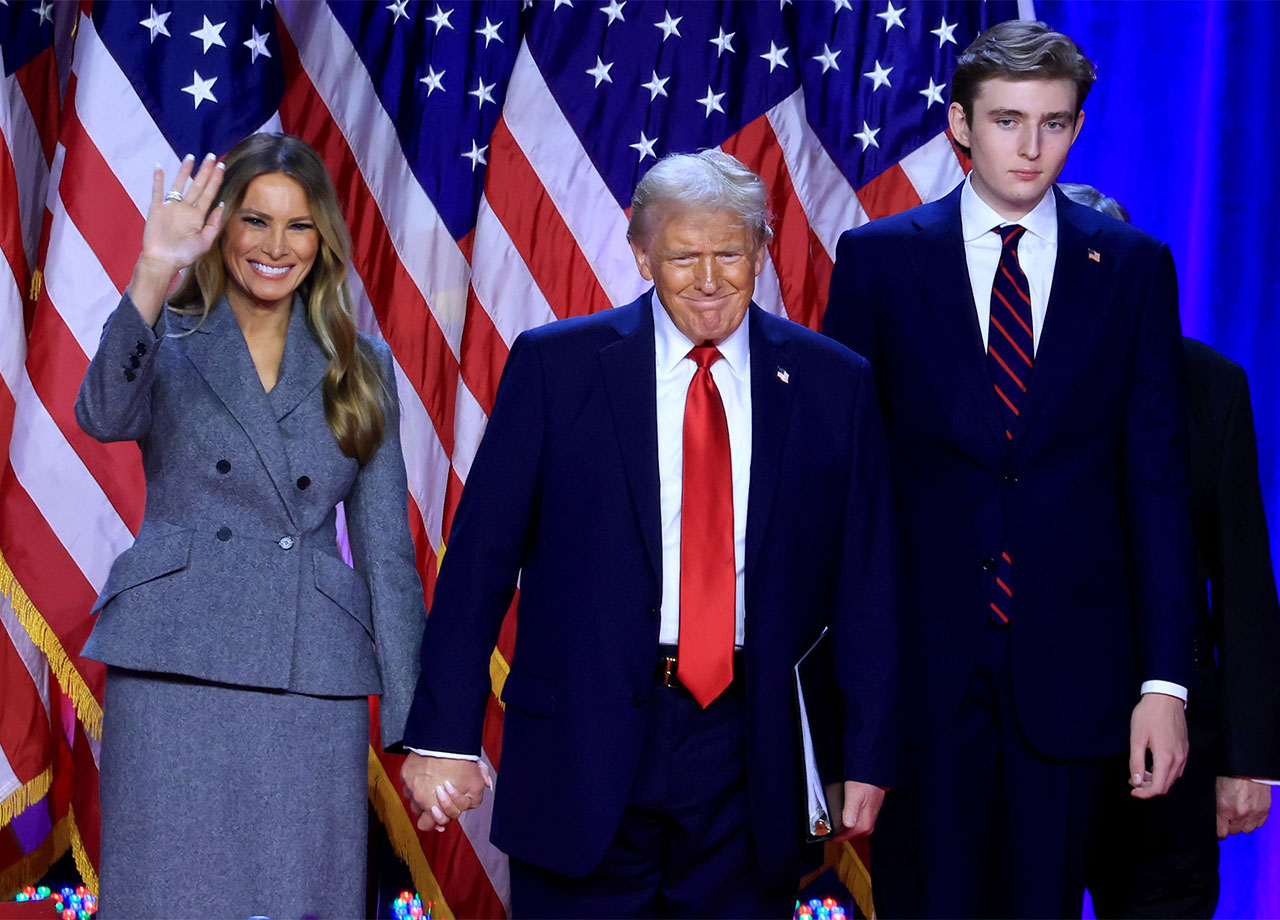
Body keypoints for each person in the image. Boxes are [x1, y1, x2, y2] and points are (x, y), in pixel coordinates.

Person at [398, 150, 899, 918]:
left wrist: (864, 753)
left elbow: (866, 583)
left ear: (761, 252)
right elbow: (477, 568)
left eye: (730, 252)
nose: (708, 278)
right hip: (580, 744)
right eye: (682, 255)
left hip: (749, 750)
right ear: (641, 256)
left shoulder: (836, 383)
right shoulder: (556, 366)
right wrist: (443, 736)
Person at [822, 21, 1197, 918]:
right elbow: (846, 490)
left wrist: (1165, 684)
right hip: (922, 674)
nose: (1032, 148)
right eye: (1007, 120)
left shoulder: (1135, 268)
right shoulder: (877, 260)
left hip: (1075, 676)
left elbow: (1156, 483)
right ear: (960, 124)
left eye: (1056, 124)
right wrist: (844, 695)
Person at [75, 134, 424, 919]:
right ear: (223, 229)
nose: (275, 246)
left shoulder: (359, 365)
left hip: (311, 675)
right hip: (173, 666)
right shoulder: (163, 335)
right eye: (256, 222)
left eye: (298, 226)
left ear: (322, 239)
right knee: (169, 899)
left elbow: (387, 559)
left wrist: (415, 729)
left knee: (300, 897)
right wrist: (151, 272)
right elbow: (100, 414)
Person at [1059, 183, 1280, 918]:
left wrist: (1250, 760)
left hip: (1176, 755)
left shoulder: (1211, 385)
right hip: (1027, 746)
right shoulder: (994, 383)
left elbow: (1244, 583)